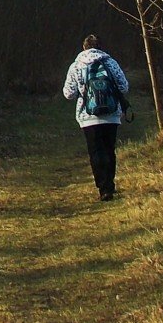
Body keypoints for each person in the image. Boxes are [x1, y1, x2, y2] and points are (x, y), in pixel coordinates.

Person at [61, 34, 130, 200]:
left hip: (88, 116)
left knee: (96, 151)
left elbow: (69, 93)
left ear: (84, 47)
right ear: (100, 47)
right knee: (109, 149)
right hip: (111, 115)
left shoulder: (76, 65)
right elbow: (124, 87)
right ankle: (110, 186)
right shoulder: (111, 63)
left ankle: (103, 188)